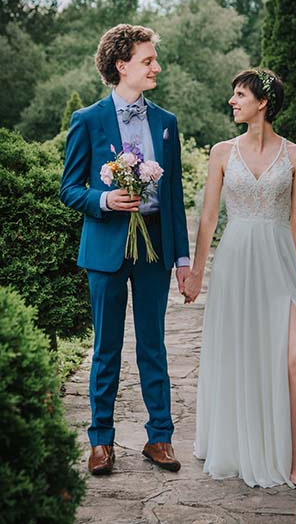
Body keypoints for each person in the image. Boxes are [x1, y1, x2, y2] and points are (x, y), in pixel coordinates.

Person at [183, 68, 296, 488]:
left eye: (240, 94)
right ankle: (243, 445)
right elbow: (209, 216)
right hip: (236, 262)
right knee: (241, 355)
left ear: (263, 102)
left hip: (280, 262)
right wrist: (195, 271)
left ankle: (295, 459)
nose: (233, 101)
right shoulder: (222, 152)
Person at [60, 24, 190, 475]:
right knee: (106, 348)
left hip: (154, 245)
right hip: (106, 246)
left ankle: (160, 438)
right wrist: (104, 199)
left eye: (154, 59)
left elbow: (173, 198)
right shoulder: (88, 120)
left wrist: (184, 260)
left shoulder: (167, 123)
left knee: (153, 345)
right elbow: (69, 189)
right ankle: (101, 442)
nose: (156, 66)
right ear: (122, 66)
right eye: (148, 60)